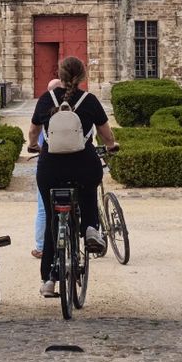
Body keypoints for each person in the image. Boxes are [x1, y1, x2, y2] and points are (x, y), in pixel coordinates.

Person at [28, 56, 117, 298]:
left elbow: (34, 131)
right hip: (82, 164)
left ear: (60, 74)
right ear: (82, 77)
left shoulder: (46, 99)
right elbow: (106, 133)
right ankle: (90, 230)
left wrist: (32, 145)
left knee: (51, 225)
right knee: (88, 192)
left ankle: (48, 280)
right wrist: (111, 145)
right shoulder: (90, 101)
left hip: (51, 168)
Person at [31, 78, 63, 258]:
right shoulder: (73, 107)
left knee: (43, 208)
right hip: (72, 161)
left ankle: (42, 247)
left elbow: (32, 133)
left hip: (48, 161)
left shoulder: (44, 105)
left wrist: (33, 145)